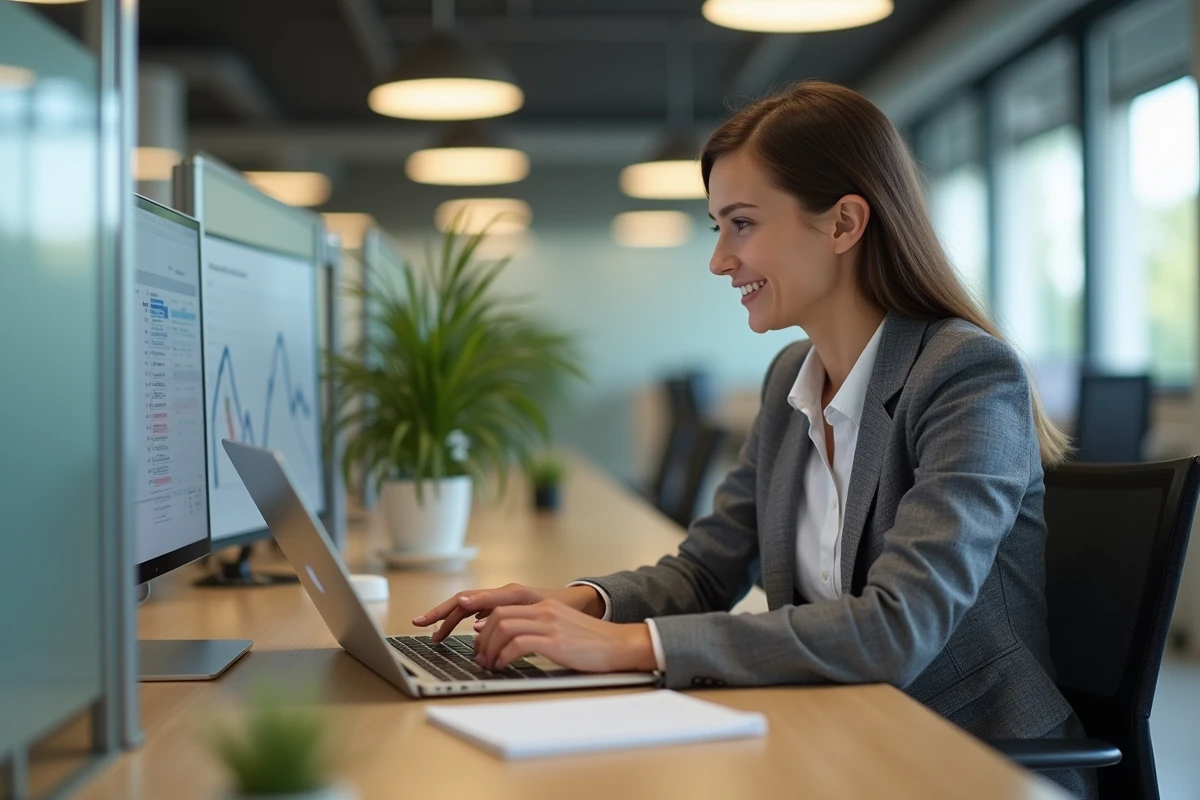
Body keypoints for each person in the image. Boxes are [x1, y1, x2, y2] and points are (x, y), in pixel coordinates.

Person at [414, 81, 1095, 798]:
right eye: (718, 227)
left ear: (843, 224)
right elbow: (706, 572)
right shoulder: (789, 381)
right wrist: (581, 604)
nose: (719, 260)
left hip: (966, 760)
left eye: (742, 224)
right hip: (839, 740)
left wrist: (629, 646)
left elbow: (901, 627)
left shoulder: (964, 376)